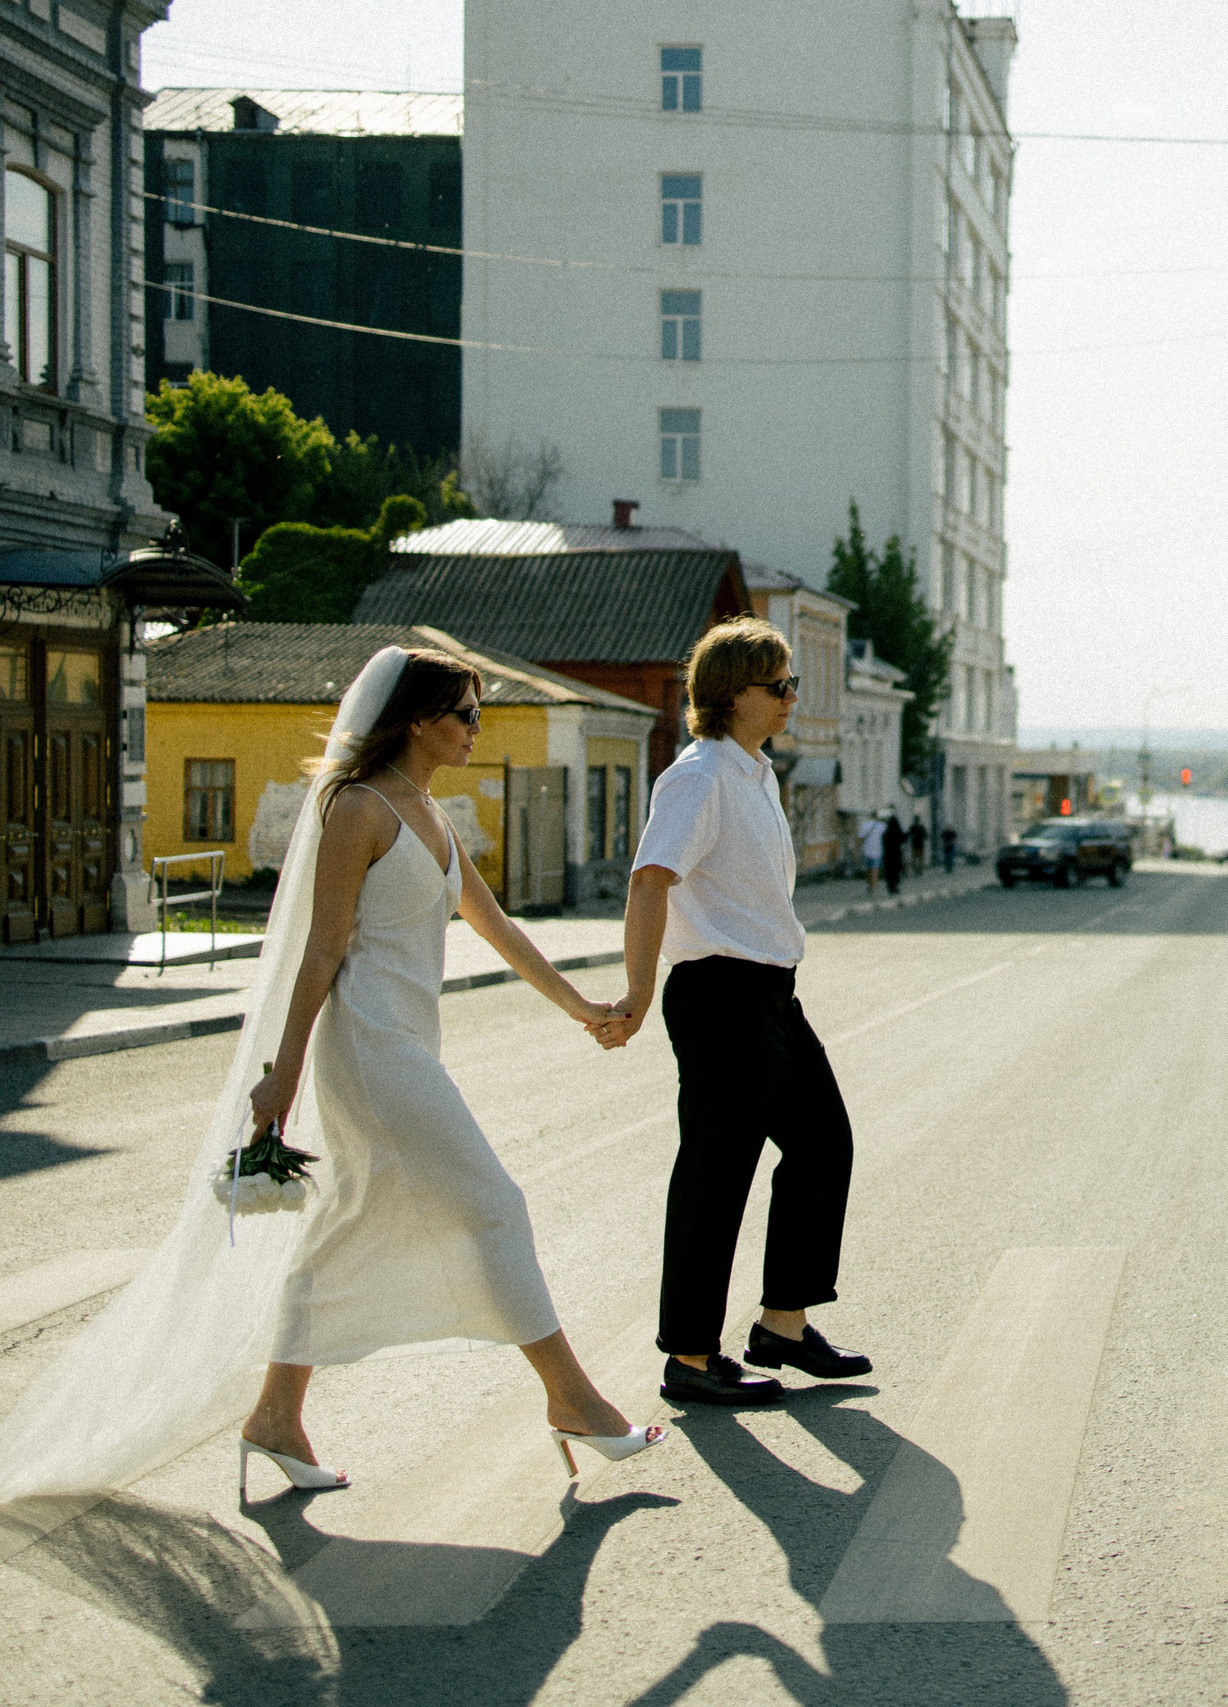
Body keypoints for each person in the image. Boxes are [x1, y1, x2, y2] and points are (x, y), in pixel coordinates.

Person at [0, 646, 660, 1517]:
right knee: (495, 1203)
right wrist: (283, 1073)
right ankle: (572, 1398)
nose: (477, 728)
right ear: (417, 719)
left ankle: (276, 1416)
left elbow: (495, 924)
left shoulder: (428, 811)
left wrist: (585, 1007)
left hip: (410, 1043)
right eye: (465, 713)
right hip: (371, 1049)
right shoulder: (357, 807)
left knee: (343, 1224)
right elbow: (321, 949)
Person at [602, 618, 869, 1406]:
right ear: (730, 694)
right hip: (719, 992)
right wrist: (637, 992)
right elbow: (650, 880)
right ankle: (690, 1357)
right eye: (777, 684)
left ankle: (783, 1324)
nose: (791, 696)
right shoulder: (699, 776)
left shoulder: (756, 773)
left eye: (792, 682)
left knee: (822, 1144)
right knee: (717, 1173)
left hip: (772, 992)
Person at [857, 813, 885, 895]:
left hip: (867, 850)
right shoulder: (882, 826)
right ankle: (872, 887)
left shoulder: (865, 825)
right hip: (878, 850)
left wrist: (857, 849)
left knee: (868, 869)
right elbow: (886, 838)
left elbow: (860, 838)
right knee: (875, 869)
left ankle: (869, 885)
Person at [880, 808, 906, 896]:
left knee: (889, 871)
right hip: (896, 854)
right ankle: (895, 886)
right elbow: (903, 839)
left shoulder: (886, 833)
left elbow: (883, 842)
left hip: (888, 855)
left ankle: (890, 886)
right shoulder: (898, 832)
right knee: (896, 870)